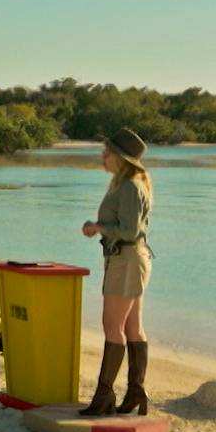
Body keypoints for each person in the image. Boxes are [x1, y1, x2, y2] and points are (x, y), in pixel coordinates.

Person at [79, 128, 154, 416]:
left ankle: (104, 396)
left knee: (113, 327)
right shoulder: (122, 184)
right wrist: (100, 230)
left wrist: (98, 228)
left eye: (106, 153)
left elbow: (130, 230)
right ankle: (135, 392)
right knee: (132, 327)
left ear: (120, 157)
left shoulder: (130, 187)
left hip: (127, 259)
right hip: (127, 258)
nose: (102, 157)